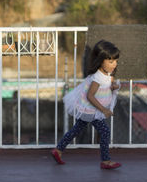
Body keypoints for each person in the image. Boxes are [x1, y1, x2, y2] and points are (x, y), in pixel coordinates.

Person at [51, 40, 122, 169]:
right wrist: (103, 110)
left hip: (93, 109)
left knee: (76, 129)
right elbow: (90, 96)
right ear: (101, 60)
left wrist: (112, 87)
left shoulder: (108, 74)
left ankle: (58, 150)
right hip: (91, 109)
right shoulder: (97, 78)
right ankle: (105, 161)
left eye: (116, 61)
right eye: (111, 61)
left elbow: (105, 88)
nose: (114, 64)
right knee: (105, 131)